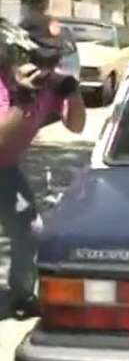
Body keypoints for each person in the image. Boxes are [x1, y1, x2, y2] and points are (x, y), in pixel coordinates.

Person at [0, 30, 85, 319]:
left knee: (29, 231)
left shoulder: (50, 85)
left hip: (6, 170)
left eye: (52, 60)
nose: (45, 68)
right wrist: (22, 99)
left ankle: (22, 295)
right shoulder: (5, 86)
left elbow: (76, 127)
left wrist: (72, 93)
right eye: (38, 60)